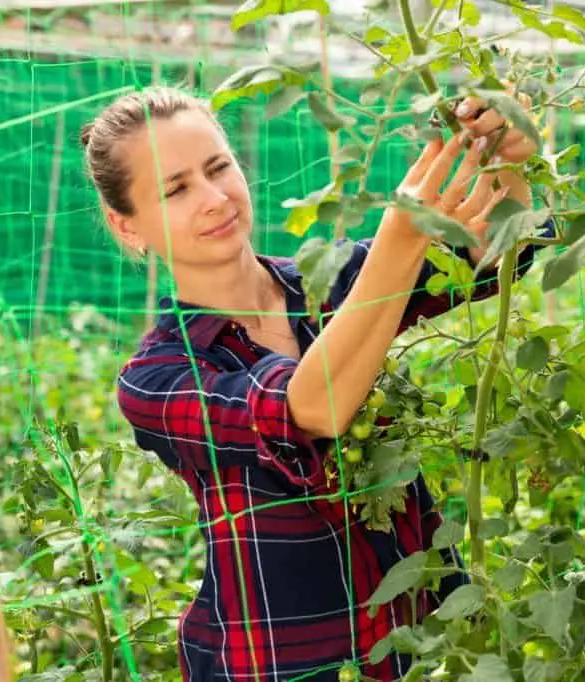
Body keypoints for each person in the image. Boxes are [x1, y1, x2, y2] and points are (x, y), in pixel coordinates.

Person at [80, 85, 547, 681]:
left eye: (218, 167)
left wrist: (508, 160)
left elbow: (497, 255)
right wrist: (400, 240)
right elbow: (310, 408)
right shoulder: (158, 378)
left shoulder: (327, 282)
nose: (214, 198)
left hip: (422, 644)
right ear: (128, 228)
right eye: (176, 190)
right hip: (281, 661)